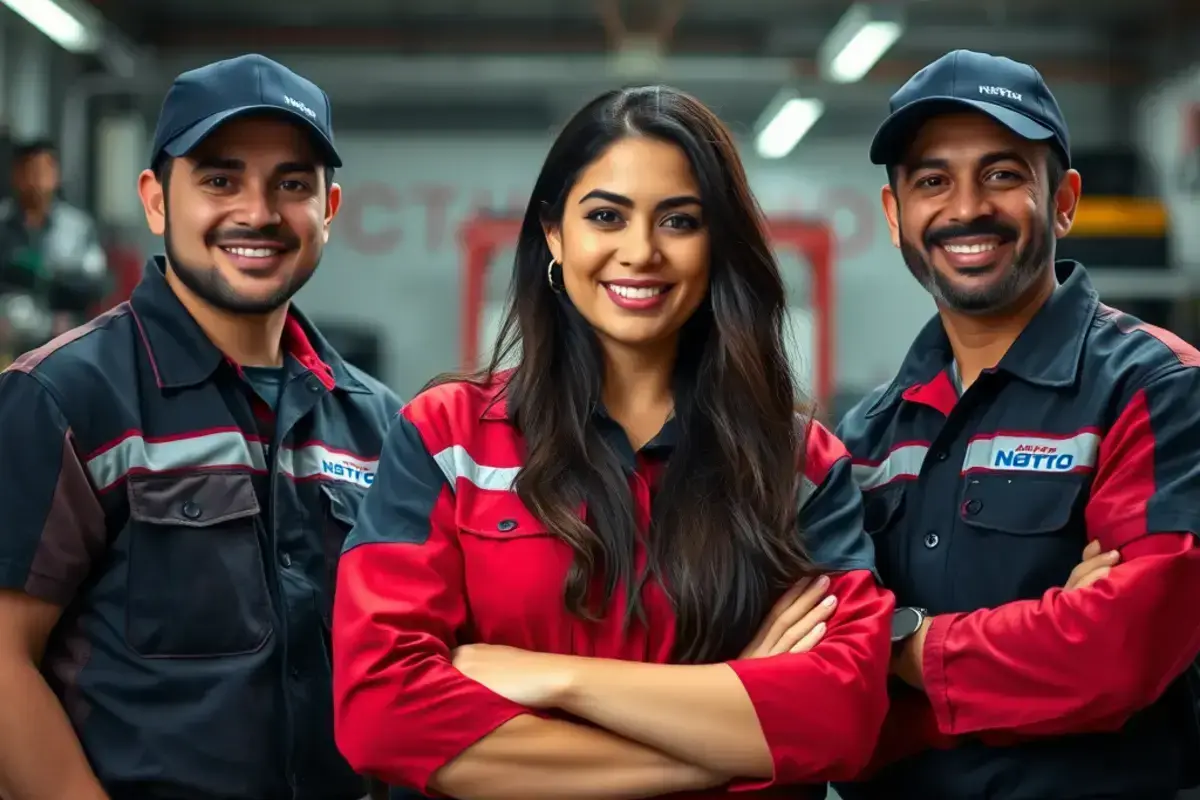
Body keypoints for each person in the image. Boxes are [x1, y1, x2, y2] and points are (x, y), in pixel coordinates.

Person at [331, 85, 894, 800]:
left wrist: (559, 680)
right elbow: (383, 715)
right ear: (555, 237)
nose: (641, 252)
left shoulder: (799, 465)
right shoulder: (445, 441)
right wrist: (734, 736)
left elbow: (841, 717)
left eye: (680, 221)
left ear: (717, 243)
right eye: (606, 216)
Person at [0, 54, 400, 800]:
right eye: (220, 180)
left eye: (292, 184)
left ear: (330, 209)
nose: (258, 212)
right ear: (156, 201)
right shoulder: (62, 401)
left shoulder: (377, 425)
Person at [832, 49, 1200, 800]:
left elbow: (1119, 655)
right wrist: (1044, 637)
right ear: (894, 213)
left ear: (1063, 200)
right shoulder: (865, 435)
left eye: (1002, 174)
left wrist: (898, 642)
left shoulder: (1160, 388)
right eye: (932, 181)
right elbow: (823, 681)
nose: (965, 208)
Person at [0, 140, 110, 351]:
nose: (36, 180)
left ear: (56, 175)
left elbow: (95, 283)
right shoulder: (3, 225)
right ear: (16, 175)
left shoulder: (78, 228)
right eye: (29, 171)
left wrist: (44, 276)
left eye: (44, 170)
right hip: (9, 346)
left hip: (65, 344)